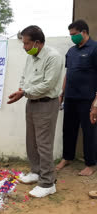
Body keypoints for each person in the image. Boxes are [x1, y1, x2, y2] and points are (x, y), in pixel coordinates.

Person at [7, 26, 63, 197]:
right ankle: (36, 172)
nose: (24, 47)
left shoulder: (53, 57)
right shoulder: (31, 57)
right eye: (23, 43)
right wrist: (21, 89)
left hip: (46, 104)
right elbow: (25, 77)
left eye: (27, 43)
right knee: (31, 141)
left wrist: (24, 92)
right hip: (31, 102)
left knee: (44, 143)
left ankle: (47, 183)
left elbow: (48, 85)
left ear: (37, 43)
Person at [56, 20, 97, 176]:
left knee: (89, 132)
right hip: (71, 98)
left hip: (88, 98)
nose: (72, 37)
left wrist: (96, 103)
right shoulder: (71, 51)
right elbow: (68, 74)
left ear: (84, 32)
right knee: (68, 129)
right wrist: (62, 94)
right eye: (70, 35)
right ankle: (67, 158)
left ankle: (90, 164)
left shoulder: (95, 48)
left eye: (74, 34)